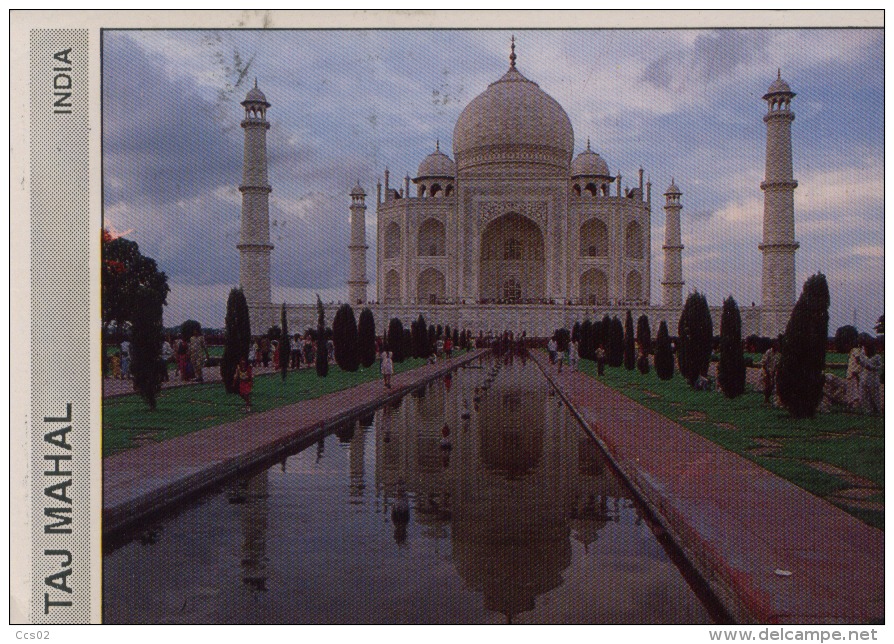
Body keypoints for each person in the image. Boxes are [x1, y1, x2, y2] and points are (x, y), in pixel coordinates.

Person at [857, 340, 883, 415]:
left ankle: (878, 410)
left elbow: (879, 367)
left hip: (873, 379)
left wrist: (871, 367)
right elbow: (861, 363)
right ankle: (868, 410)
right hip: (864, 378)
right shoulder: (863, 356)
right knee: (865, 395)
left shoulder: (877, 357)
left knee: (875, 396)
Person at [846, 344, 866, 411]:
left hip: (854, 372)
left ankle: (853, 405)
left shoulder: (857, 350)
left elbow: (858, 360)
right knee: (852, 388)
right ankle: (851, 405)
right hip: (853, 372)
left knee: (854, 389)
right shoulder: (855, 350)